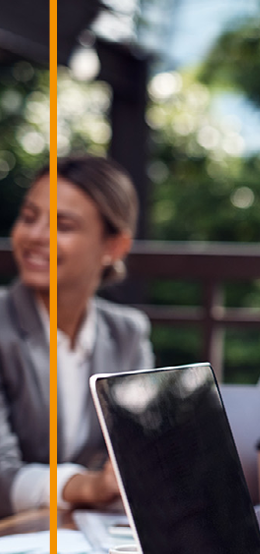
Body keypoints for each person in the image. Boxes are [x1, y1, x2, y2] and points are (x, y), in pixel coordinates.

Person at [0, 155, 153, 518]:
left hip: (77, 541)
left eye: (62, 226)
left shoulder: (127, 333)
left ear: (113, 247)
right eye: (29, 217)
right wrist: (90, 486)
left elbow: (135, 458)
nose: (35, 236)